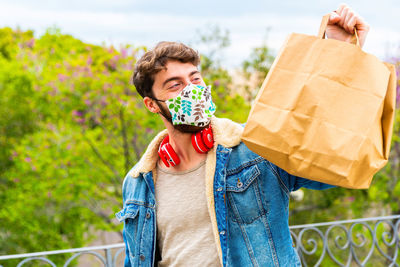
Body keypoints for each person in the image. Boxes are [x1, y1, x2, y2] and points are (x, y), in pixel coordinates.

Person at [115, 4, 370, 266]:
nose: (190, 90)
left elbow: (331, 169)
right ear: (151, 104)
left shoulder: (256, 147)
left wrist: (340, 52)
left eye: (195, 79)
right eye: (175, 85)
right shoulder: (137, 182)